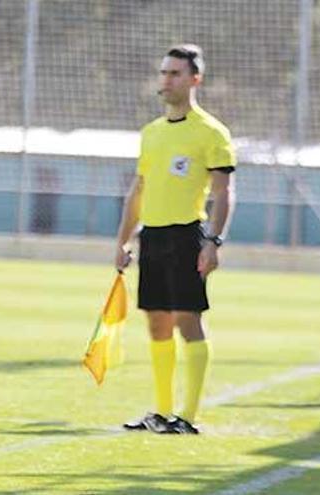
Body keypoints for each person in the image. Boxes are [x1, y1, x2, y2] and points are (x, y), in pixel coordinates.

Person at [115, 44, 236, 435]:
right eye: (164, 73)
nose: (166, 80)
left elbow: (224, 192)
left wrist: (213, 241)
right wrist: (124, 240)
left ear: (194, 79)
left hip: (188, 237)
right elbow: (140, 189)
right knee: (156, 325)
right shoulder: (151, 133)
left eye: (175, 74)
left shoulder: (212, 133)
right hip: (152, 237)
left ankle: (188, 415)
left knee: (188, 322)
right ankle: (162, 413)